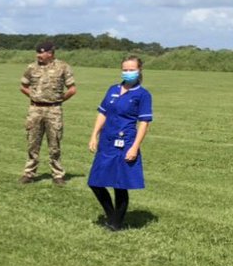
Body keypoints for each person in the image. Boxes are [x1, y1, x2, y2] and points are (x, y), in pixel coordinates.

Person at [87, 55, 152, 231]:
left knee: (120, 184)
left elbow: (144, 123)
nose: (128, 73)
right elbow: (103, 113)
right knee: (95, 182)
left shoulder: (142, 94)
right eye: (125, 70)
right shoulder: (112, 89)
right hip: (107, 141)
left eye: (132, 70)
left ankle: (116, 224)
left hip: (126, 143)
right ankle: (111, 215)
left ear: (139, 71)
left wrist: (135, 147)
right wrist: (94, 135)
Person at [19, 40, 77, 185]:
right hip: (35, 110)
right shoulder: (31, 67)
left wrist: (59, 100)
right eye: (37, 53)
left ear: (50, 53)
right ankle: (29, 173)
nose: (38, 55)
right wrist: (34, 96)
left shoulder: (63, 67)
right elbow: (23, 86)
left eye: (41, 53)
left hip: (54, 110)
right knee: (32, 143)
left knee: (54, 144)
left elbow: (72, 89)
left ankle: (57, 175)